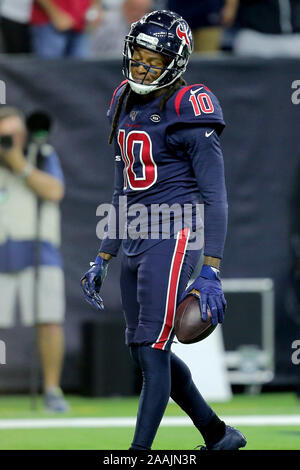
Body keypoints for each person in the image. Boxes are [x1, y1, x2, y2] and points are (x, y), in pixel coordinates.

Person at [81, 10, 247, 450]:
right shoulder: (123, 98)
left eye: (154, 59)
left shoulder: (190, 104)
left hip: (174, 234)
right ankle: (217, 434)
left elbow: (216, 195)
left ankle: (138, 454)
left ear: (176, 62)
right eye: (138, 55)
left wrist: (211, 267)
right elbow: (121, 188)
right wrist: (104, 253)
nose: (142, 66)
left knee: (153, 354)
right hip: (135, 232)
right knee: (143, 350)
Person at [0, 106, 69, 412]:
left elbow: (54, 191)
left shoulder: (41, 154)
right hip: (3, 245)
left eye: (15, 135)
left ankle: (52, 389)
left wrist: (20, 165)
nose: (10, 142)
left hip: (40, 249)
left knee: (49, 321)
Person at [30, 0, 103, 58]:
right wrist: (55, 14)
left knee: (82, 70)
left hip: (81, 23)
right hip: (49, 24)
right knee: (50, 71)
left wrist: (96, 7)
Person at [167, 0, 239, 52]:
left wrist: (231, 6)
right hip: (179, 11)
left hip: (209, 12)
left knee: (208, 58)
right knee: (177, 59)